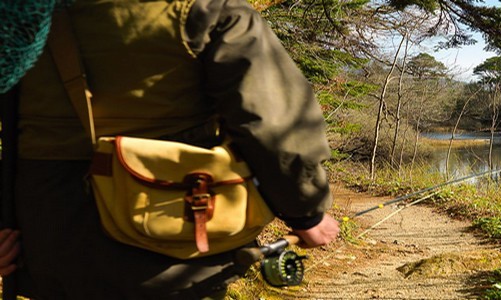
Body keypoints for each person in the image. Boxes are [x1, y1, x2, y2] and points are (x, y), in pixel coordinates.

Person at [0, 0, 339, 298]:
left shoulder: (16, 13)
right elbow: (277, 126)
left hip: (48, 248)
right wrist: (305, 212)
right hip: (171, 252)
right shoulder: (203, 7)